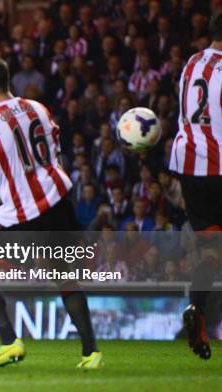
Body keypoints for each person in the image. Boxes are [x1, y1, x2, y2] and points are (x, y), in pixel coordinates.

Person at [0, 56, 101, 368]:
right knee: (65, 276)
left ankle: (9, 342)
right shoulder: (38, 108)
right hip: (60, 203)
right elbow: (57, 157)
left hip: (23, 213)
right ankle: (90, 353)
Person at [169, 15, 222, 360]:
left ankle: (196, 307)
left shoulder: (191, 62)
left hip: (189, 165)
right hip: (219, 163)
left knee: (211, 250)